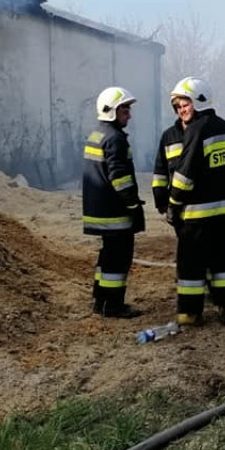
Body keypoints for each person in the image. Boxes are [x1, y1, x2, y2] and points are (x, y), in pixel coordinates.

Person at [164, 77, 225, 327]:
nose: (181, 110)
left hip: (196, 215)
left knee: (190, 265)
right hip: (224, 213)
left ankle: (190, 313)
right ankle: (223, 306)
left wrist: (173, 206)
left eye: (184, 103)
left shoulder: (196, 131)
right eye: (177, 106)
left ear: (198, 100)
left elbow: (184, 175)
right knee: (221, 261)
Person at [82, 86, 145, 318]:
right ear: (110, 111)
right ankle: (113, 306)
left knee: (107, 257)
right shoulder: (115, 139)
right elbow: (120, 178)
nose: (129, 115)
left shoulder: (98, 134)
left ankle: (100, 301)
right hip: (114, 213)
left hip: (99, 211)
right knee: (119, 260)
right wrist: (133, 205)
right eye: (124, 110)